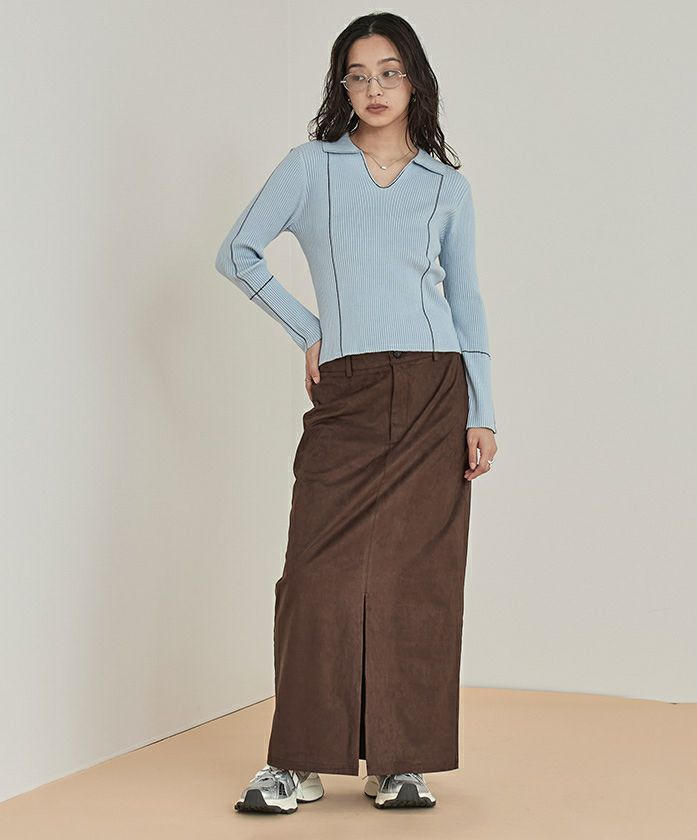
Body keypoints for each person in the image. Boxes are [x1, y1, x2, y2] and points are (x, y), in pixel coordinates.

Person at [215, 11, 498, 815]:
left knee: (418, 579)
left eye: (389, 72)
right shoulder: (313, 167)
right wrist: (311, 331)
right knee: (315, 573)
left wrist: (482, 411)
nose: (374, 88)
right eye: (359, 74)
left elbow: (467, 301)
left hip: (438, 388)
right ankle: (297, 760)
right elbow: (237, 251)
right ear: (342, 85)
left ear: (415, 80)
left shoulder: (446, 186)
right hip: (349, 388)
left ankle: (400, 762)